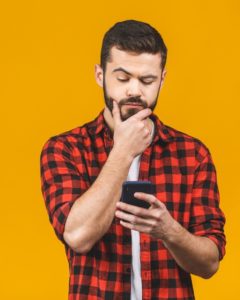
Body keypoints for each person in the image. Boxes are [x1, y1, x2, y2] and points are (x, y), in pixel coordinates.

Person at [40, 19, 226, 300]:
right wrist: (123, 151)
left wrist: (169, 230)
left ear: (162, 78)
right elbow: (78, 236)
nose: (134, 91)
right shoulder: (65, 149)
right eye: (123, 78)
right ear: (100, 75)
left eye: (147, 80)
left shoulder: (193, 154)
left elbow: (210, 262)